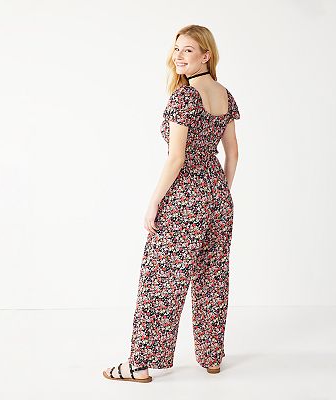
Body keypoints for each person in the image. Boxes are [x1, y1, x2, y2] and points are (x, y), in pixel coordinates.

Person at [103, 24, 240, 383]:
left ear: (206, 55)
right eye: (177, 48)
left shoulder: (184, 98)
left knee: (161, 279)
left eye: (188, 50)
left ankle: (140, 364)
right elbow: (232, 153)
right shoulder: (225, 94)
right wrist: (218, 194)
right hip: (218, 196)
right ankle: (211, 357)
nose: (179, 56)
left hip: (183, 198)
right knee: (212, 276)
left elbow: (176, 158)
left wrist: (154, 202)